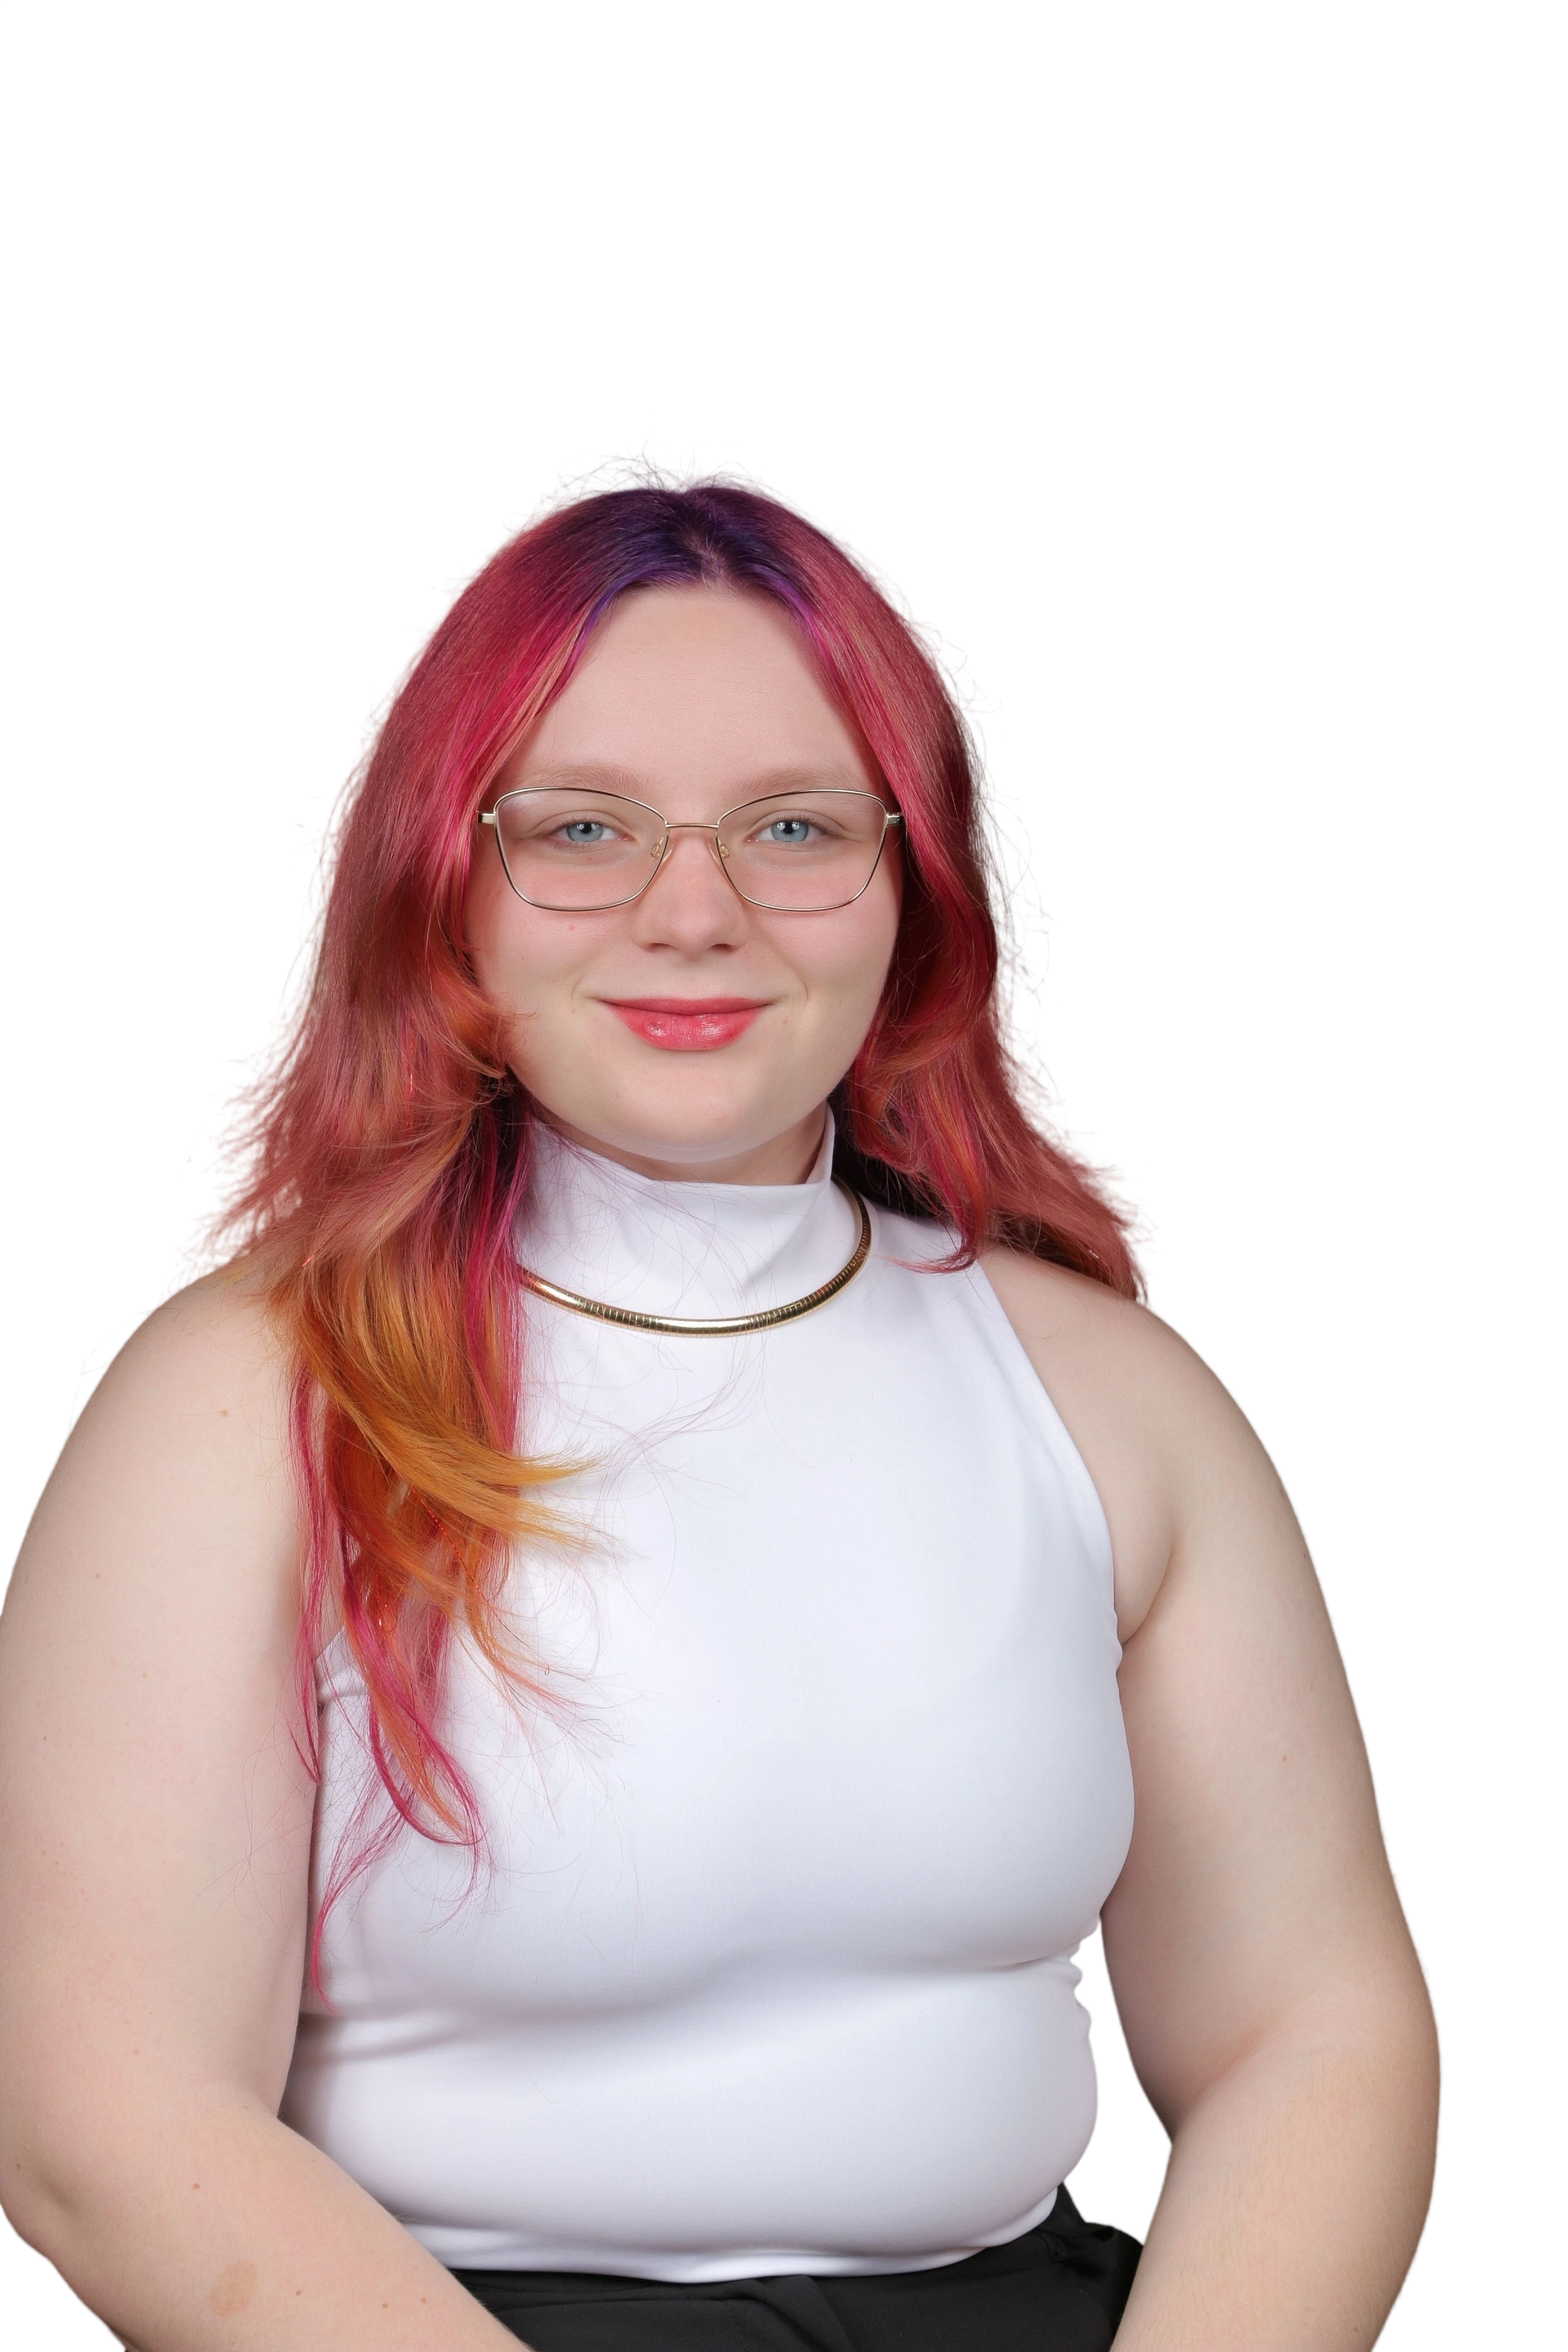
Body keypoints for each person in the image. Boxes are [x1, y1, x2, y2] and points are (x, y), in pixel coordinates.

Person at [0, 441, 1440, 2352]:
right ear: (446, 887)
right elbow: (103, 2121)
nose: (695, 915)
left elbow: (1312, 2034)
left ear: (917, 885)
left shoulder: (1116, 1401)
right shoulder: (240, 1408)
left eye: (796, 827)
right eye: (583, 828)